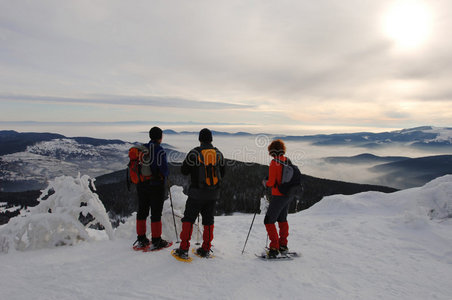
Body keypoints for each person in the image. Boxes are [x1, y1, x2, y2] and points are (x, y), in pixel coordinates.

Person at [173, 128, 226, 259]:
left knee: (189, 219)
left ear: (200, 139)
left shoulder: (194, 153)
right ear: (211, 139)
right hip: (213, 194)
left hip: (196, 194)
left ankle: (184, 248)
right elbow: (223, 173)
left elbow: (184, 171)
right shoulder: (218, 154)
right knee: (209, 220)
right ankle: (206, 248)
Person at [133, 126, 171, 251]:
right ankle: (156, 241)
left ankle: (141, 239)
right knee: (155, 213)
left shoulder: (142, 149)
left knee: (142, 211)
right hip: (156, 186)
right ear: (160, 137)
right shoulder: (159, 150)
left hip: (141, 184)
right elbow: (164, 170)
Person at [262, 139, 293, 258]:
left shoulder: (274, 162)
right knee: (282, 219)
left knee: (268, 220)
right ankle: (283, 246)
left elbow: (271, 182)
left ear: (271, 151)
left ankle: (274, 248)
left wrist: (265, 182)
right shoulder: (287, 160)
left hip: (279, 196)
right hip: (288, 195)